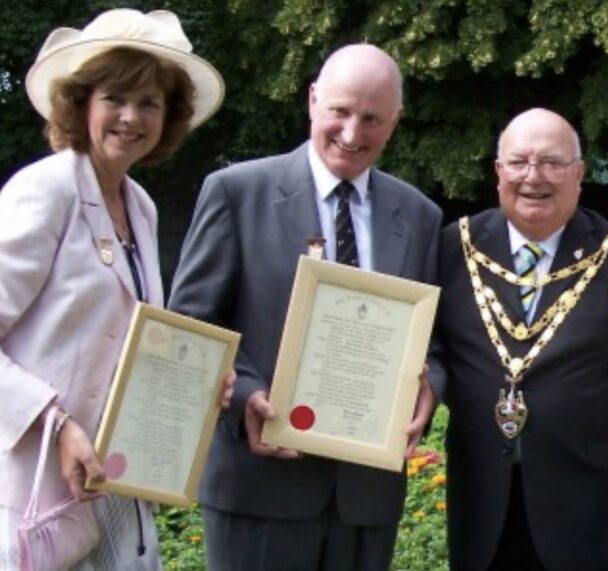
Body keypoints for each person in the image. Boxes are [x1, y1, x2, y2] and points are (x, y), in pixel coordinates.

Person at [167, 44, 441, 570]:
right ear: (313, 100)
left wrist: (431, 389)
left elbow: (436, 341)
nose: (352, 133)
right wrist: (243, 395)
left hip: (365, 499)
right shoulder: (235, 192)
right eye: (340, 111)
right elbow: (191, 328)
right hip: (257, 487)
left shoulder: (419, 215)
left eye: (372, 119)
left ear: (396, 121)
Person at [0, 9, 224, 570]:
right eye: (115, 99)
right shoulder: (44, 190)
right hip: (33, 495)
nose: (131, 117)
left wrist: (194, 387)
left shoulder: (140, 206)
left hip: (115, 489)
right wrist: (56, 425)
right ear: (81, 105)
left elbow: (131, 344)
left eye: (149, 102)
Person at [432, 108, 608, 570]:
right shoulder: (451, 248)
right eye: (518, 162)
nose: (533, 177)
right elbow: (436, 355)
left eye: (552, 163)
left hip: (583, 500)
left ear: (579, 174)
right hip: (481, 495)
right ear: (499, 172)